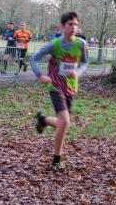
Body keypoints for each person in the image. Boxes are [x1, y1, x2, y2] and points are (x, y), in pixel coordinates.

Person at [30, 11, 88, 172]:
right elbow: (33, 59)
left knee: (63, 123)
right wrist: (40, 75)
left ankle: (44, 120)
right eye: (70, 24)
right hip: (55, 86)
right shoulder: (54, 45)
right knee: (66, 122)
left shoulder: (81, 44)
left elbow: (84, 63)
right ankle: (56, 159)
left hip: (71, 87)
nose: (73, 27)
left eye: (76, 24)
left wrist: (78, 72)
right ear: (63, 27)